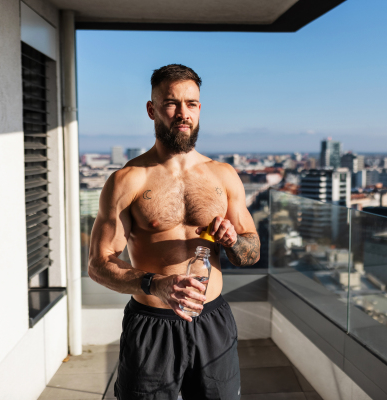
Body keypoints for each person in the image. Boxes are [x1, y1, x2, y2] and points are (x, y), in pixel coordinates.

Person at [88, 64, 260, 400]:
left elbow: (251, 252)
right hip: (152, 324)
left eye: (191, 103)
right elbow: (98, 264)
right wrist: (155, 283)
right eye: (171, 103)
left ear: (199, 109)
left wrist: (233, 241)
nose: (183, 113)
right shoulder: (128, 180)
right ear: (152, 109)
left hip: (212, 320)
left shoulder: (223, 176)